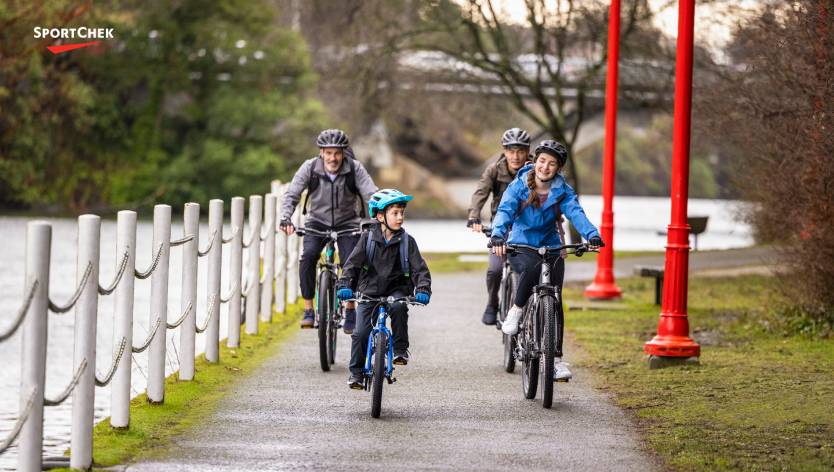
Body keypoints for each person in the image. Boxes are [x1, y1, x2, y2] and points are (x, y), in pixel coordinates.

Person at [489, 140, 603, 381]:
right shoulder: (518, 186)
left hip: (551, 244)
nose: (545, 167)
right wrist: (499, 234)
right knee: (530, 267)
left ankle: (556, 360)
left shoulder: (563, 191)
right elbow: (505, 211)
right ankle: (517, 310)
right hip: (522, 242)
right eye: (542, 161)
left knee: (555, 298)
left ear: (558, 169)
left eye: (552, 164)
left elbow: (576, 213)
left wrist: (591, 235)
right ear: (535, 161)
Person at [279, 129, 378, 332]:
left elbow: (371, 194)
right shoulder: (310, 168)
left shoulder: (354, 168)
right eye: (329, 153)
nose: (333, 158)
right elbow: (292, 194)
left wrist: (379, 217)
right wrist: (285, 218)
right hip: (317, 221)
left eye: (337, 153)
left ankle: (350, 308)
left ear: (344, 153)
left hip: (348, 222)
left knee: (351, 261)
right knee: (308, 257)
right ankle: (308, 310)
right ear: (321, 152)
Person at [467, 128, 565, 325]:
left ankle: (532, 312)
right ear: (504, 151)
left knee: (534, 270)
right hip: (502, 227)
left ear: (527, 150)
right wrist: (474, 216)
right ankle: (493, 303)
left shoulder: (536, 166)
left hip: (530, 227)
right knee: (495, 269)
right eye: (511, 151)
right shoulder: (494, 170)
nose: (516, 156)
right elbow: (480, 193)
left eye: (520, 151)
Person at [336, 189, 432, 390]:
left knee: (398, 308)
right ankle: (356, 374)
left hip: (396, 290)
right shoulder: (367, 239)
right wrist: (345, 285)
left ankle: (399, 350)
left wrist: (422, 289)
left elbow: (419, 269)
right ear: (380, 216)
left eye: (402, 213)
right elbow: (352, 265)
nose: (400, 217)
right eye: (395, 213)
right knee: (361, 333)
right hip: (369, 291)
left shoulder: (407, 241)